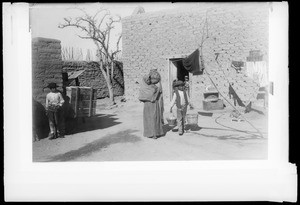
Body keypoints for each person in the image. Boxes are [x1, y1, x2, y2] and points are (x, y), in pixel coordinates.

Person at [139, 74, 164, 139]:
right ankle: (151, 134)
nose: (148, 81)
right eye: (147, 80)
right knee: (149, 119)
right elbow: (141, 98)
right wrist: (149, 99)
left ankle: (156, 133)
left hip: (155, 104)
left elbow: (159, 91)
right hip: (147, 105)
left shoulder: (153, 86)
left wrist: (159, 89)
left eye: (149, 79)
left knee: (155, 118)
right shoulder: (143, 88)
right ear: (144, 81)